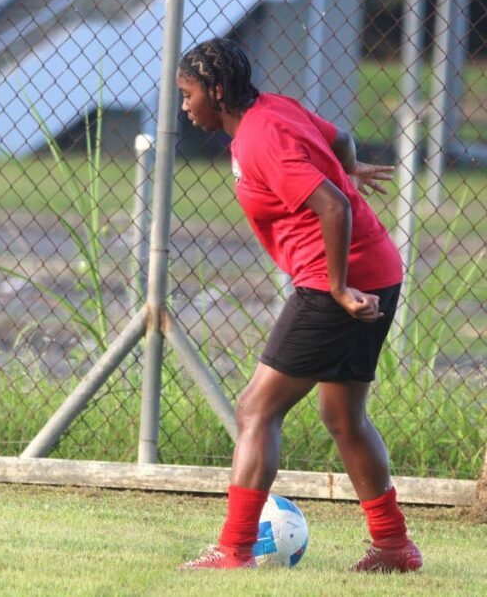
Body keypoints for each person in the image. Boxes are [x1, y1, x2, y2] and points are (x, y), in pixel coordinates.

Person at [174, 38, 421, 572]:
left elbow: (332, 206)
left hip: (338, 282)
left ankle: (234, 550)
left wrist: (335, 287)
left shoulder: (260, 138)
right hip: (377, 270)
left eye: (188, 94)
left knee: (256, 408)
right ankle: (394, 547)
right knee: (343, 415)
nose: (185, 107)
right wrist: (348, 168)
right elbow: (342, 138)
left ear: (217, 92)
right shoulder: (273, 109)